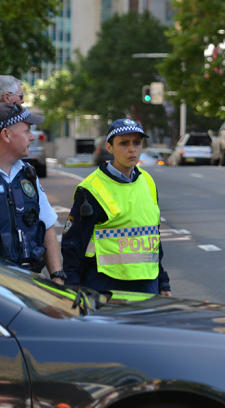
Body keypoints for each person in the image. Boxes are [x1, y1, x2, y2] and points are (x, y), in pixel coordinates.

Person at [62, 118, 171, 295]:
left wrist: (163, 282)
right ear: (109, 147)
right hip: (106, 286)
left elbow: (153, 238)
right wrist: (72, 288)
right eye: (124, 143)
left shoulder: (148, 181)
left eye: (137, 143)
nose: (132, 149)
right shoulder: (91, 189)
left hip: (147, 285)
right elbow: (73, 244)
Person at [0, 103, 64, 284]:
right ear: (6, 134)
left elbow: (47, 225)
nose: (32, 137)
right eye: (27, 131)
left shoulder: (28, 174)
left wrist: (57, 277)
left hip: (30, 284)